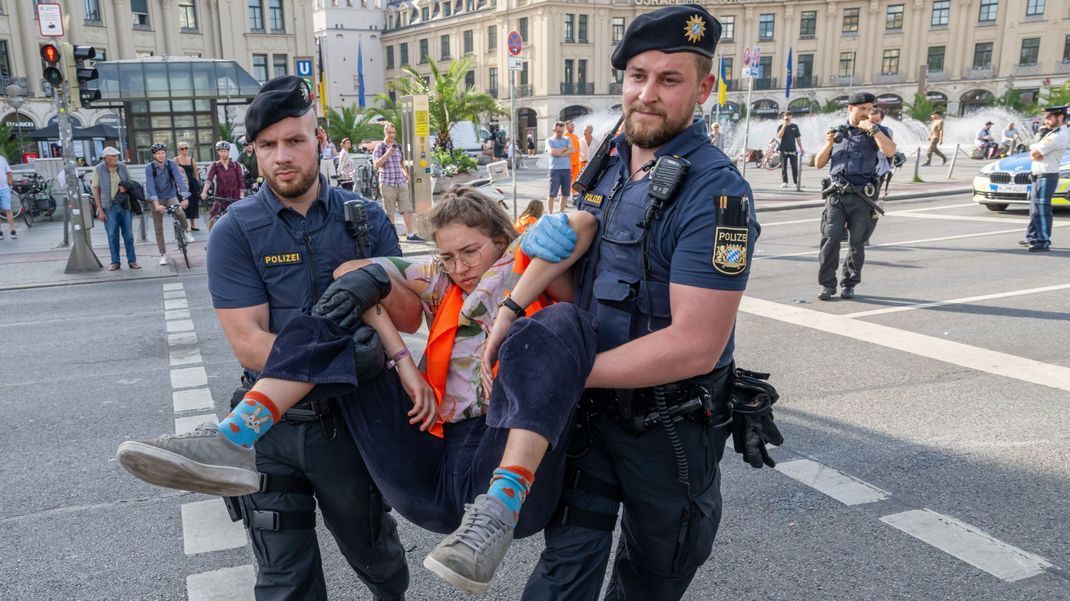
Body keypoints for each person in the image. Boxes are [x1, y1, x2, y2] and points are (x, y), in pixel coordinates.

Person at [117, 184, 602, 596]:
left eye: (471, 252)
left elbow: (582, 226)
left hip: (505, 458)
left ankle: (499, 508)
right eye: (448, 256)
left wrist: (509, 313)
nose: (459, 267)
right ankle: (238, 436)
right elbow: (349, 274)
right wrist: (402, 362)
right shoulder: (438, 282)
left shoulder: (523, 265)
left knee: (564, 320)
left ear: (500, 240)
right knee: (350, 305)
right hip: (431, 470)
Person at [517, 6, 779, 600]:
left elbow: (695, 343)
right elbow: (582, 293)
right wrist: (535, 271)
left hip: (667, 434)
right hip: (590, 423)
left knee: (647, 585)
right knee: (560, 580)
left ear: (705, 87)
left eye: (669, 79)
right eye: (638, 76)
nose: (647, 94)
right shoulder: (608, 166)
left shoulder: (718, 194)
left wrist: (564, 371)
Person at [119, 76, 412, 600]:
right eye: (269, 145)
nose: (283, 156)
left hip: (353, 427)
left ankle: (227, 437)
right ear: (253, 152)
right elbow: (250, 344)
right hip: (275, 433)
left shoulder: (364, 218)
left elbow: (411, 318)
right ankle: (231, 440)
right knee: (284, 583)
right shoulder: (236, 229)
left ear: (318, 140)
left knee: (379, 561)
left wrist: (375, 273)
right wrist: (352, 358)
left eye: (295, 141)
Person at [814, 92, 896, 301]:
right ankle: (827, 285)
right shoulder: (838, 132)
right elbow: (818, 163)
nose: (867, 114)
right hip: (837, 195)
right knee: (830, 239)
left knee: (857, 243)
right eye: (863, 109)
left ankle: (849, 283)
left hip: (863, 196)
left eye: (870, 109)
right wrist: (829, 143)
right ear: (851, 109)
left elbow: (889, 151)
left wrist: (874, 130)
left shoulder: (878, 131)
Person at [1021, 105, 1069, 253]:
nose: (1046, 120)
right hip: (1039, 174)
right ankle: (1032, 237)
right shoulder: (1052, 133)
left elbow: (1034, 154)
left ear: (1060, 117)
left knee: (1041, 210)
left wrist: (1035, 147)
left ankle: (1043, 241)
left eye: (1049, 117)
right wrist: (1036, 147)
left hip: (1046, 175)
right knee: (1034, 209)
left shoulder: (1058, 135)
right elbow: (1036, 152)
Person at [145, 142, 192, 267]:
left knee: (180, 212)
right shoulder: (149, 168)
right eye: (158, 153)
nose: (161, 155)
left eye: (163, 153)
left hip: (170, 195)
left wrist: (184, 197)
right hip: (157, 199)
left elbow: (179, 180)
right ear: (154, 155)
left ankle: (185, 232)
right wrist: (156, 204)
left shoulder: (171, 164)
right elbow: (151, 186)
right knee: (158, 228)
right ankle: (163, 255)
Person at [93, 147, 139, 270]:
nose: (115, 158)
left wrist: (126, 187)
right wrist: (100, 210)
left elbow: (132, 182)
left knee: (128, 235)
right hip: (108, 207)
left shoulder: (123, 167)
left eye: (116, 156)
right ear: (105, 158)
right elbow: (96, 190)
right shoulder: (98, 169)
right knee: (112, 235)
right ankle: (115, 262)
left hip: (125, 206)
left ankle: (132, 260)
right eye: (112, 156)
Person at [373, 122, 420, 241]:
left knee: (407, 209)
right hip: (387, 183)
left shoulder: (398, 146)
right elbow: (376, 165)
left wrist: (405, 174)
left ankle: (410, 235)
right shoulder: (380, 147)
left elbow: (401, 163)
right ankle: (392, 237)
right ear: (385, 132)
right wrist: (387, 153)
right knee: (390, 212)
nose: (392, 135)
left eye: (393, 132)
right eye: (389, 132)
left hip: (400, 182)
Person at [863, 108, 894, 246]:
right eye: (871, 121)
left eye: (877, 121)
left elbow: (888, 151)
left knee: (871, 205)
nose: (875, 124)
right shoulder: (860, 131)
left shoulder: (886, 131)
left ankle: (865, 235)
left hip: (878, 173)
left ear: (882, 119)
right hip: (861, 173)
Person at [202, 140, 245, 230]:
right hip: (220, 196)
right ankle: (211, 240)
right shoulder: (216, 165)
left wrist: (242, 197)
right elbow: (209, 179)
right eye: (221, 151)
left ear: (228, 151)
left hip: (234, 196)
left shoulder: (235, 165)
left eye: (225, 151)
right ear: (218, 152)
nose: (223, 153)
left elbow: (241, 182)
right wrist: (204, 192)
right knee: (213, 217)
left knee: (238, 218)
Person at [545, 122, 572, 214]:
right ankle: (550, 214)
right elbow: (552, 152)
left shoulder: (567, 139)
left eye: (561, 131)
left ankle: (561, 211)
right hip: (554, 170)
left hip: (566, 169)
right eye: (558, 132)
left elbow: (572, 150)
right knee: (551, 193)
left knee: (565, 193)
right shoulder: (549, 140)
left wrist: (558, 152)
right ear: (554, 130)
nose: (560, 133)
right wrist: (564, 149)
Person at [175, 142, 202, 231]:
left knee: (193, 203)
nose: (184, 150)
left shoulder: (191, 159)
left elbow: (195, 173)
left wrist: (198, 184)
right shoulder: (176, 160)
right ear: (179, 150)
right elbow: (173, 172)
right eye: (182, 148)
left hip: (192, 183)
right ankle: (183, 225)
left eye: (186, 148)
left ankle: (193, 225)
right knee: (182, 204)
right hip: (181, 183)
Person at [776, 111, 804, 189]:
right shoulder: (781, 126)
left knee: (794, 166)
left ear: (791, 117)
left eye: (789, 116)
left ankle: (796, 182)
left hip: (793, 149)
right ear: (784, 118)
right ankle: (785, 182)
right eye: (786, 117)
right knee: (784, 167)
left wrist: (801, 148)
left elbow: (798, 138)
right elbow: (779, 136)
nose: (787, 118)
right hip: (783, 149)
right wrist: (784, 127)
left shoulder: (795, 126)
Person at [0, 151, 15, 240]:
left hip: (4, 188)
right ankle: (0, 232)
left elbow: (9, 171)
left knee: (7, 209)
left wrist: (10, 182)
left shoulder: (2, 159)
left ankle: (13, 230)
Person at [564, 120, 581, 189]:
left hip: (577, 162)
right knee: (567, 179)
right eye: (571, 125)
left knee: (575, 179)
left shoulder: (576, 136)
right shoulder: (564, 137)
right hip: (568, 162)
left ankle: (574, 193)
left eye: (573, 125)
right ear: (566, 127)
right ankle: (563, 192)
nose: (573, 126)